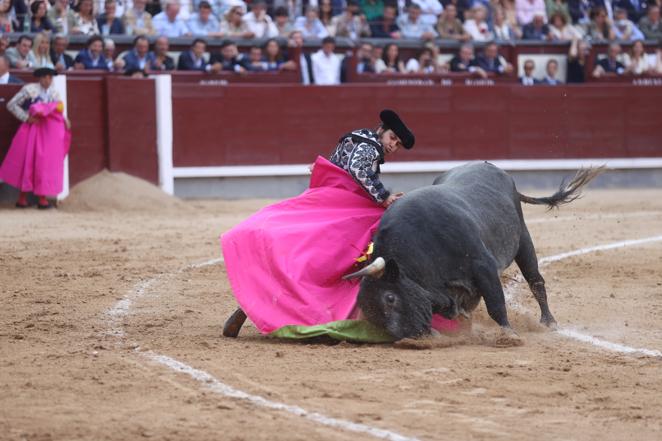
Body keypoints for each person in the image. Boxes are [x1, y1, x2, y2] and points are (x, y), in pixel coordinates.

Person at [221, 109, 415, 339]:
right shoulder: (370, 145)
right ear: (381, 130)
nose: (394, 145)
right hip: (340, 210)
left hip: (328, 201)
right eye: (393, 138)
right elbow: (357, 169)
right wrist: (384, 198)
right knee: (341, 255)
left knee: (301, 254)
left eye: (399, 144)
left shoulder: (355, 137)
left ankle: (250, 306)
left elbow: (339, 170)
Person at [0, 67, 70, 209]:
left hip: (47, 133)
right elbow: (11, 105)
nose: (47, 80)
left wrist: (64, 119)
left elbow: (57, 111)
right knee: (28, 162)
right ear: (39, 78)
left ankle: (42, 199)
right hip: (30, 130)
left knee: (43, 164)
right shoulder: (29, 89)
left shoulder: (54, 92)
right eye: (45, 77)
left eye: (50, 77)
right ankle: (22, 199)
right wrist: (26, 118)